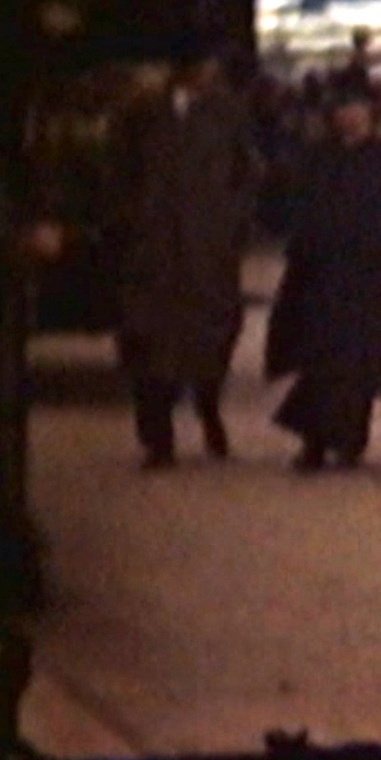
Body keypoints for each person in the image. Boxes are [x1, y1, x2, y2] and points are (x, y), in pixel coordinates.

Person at [102, 45, 264, 470]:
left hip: (207, 250)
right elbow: (117, 171)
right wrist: (131, 219)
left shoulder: (226, 113)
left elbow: (248, 172)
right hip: (153, 251)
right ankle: (158, 438)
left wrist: (231, 222)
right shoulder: (142, 113)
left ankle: (209, 409)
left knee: (210, 337)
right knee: (148, 344)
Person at [263, 82, 381, 471]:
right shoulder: (320, 159)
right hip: (321, 274)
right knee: (321, 360)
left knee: (357, 365)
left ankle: (350, 439)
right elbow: (298, 208)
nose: (350, 118)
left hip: (366, 275)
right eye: (344, 110)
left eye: (357, 110)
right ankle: (315, 440)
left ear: (370, 116)